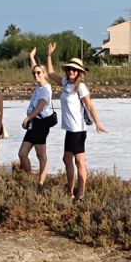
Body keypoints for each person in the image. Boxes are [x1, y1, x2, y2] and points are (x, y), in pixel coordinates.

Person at [46, 43, 107, 203]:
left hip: (78, 130)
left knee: (79, 161)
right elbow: (51, 74)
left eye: (75, 70)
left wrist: (97, 123)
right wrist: (49, 55)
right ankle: (71, 190)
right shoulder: (66, 82)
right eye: (69, 69)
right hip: (69, 130)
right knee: (67, 160)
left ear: (79, 72)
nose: (71, 72)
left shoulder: (81, 87)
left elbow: (89, 105)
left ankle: (81, 193)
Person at [18, 48, 54, 187]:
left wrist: (28, 119)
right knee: (22, 154)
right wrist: (31, 56)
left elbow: (40, 106)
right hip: (33, 125)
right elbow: (35, 67)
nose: (36, 74)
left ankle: (40, 183)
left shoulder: (45, 89)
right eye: (34, 73)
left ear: (44, 74)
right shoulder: (38, 86)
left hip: (40, 124)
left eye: (39, 73)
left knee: (41, 155)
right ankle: (30, 179)